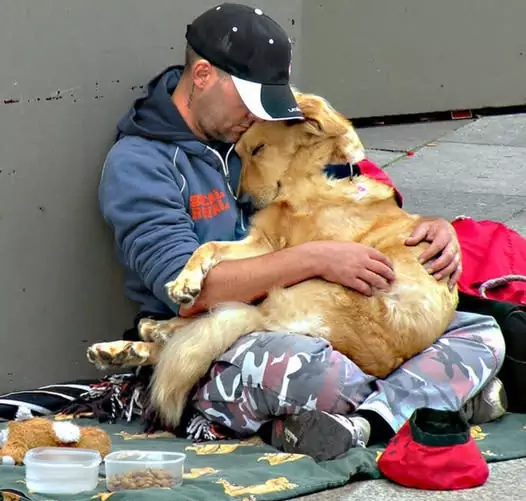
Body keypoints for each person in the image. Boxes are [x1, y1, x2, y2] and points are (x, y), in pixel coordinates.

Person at [98, 3, 507, 461]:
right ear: (204, 76)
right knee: (313, 372)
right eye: (251, 103)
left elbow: (356, 188)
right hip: (219, 338)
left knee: (482, 331)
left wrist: (432, 229)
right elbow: (189, 293)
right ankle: (434, 400)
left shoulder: (254, 125)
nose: (256, 118)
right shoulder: (140, 164)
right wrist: (317, 258)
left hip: (327, 315)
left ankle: (364, 423)